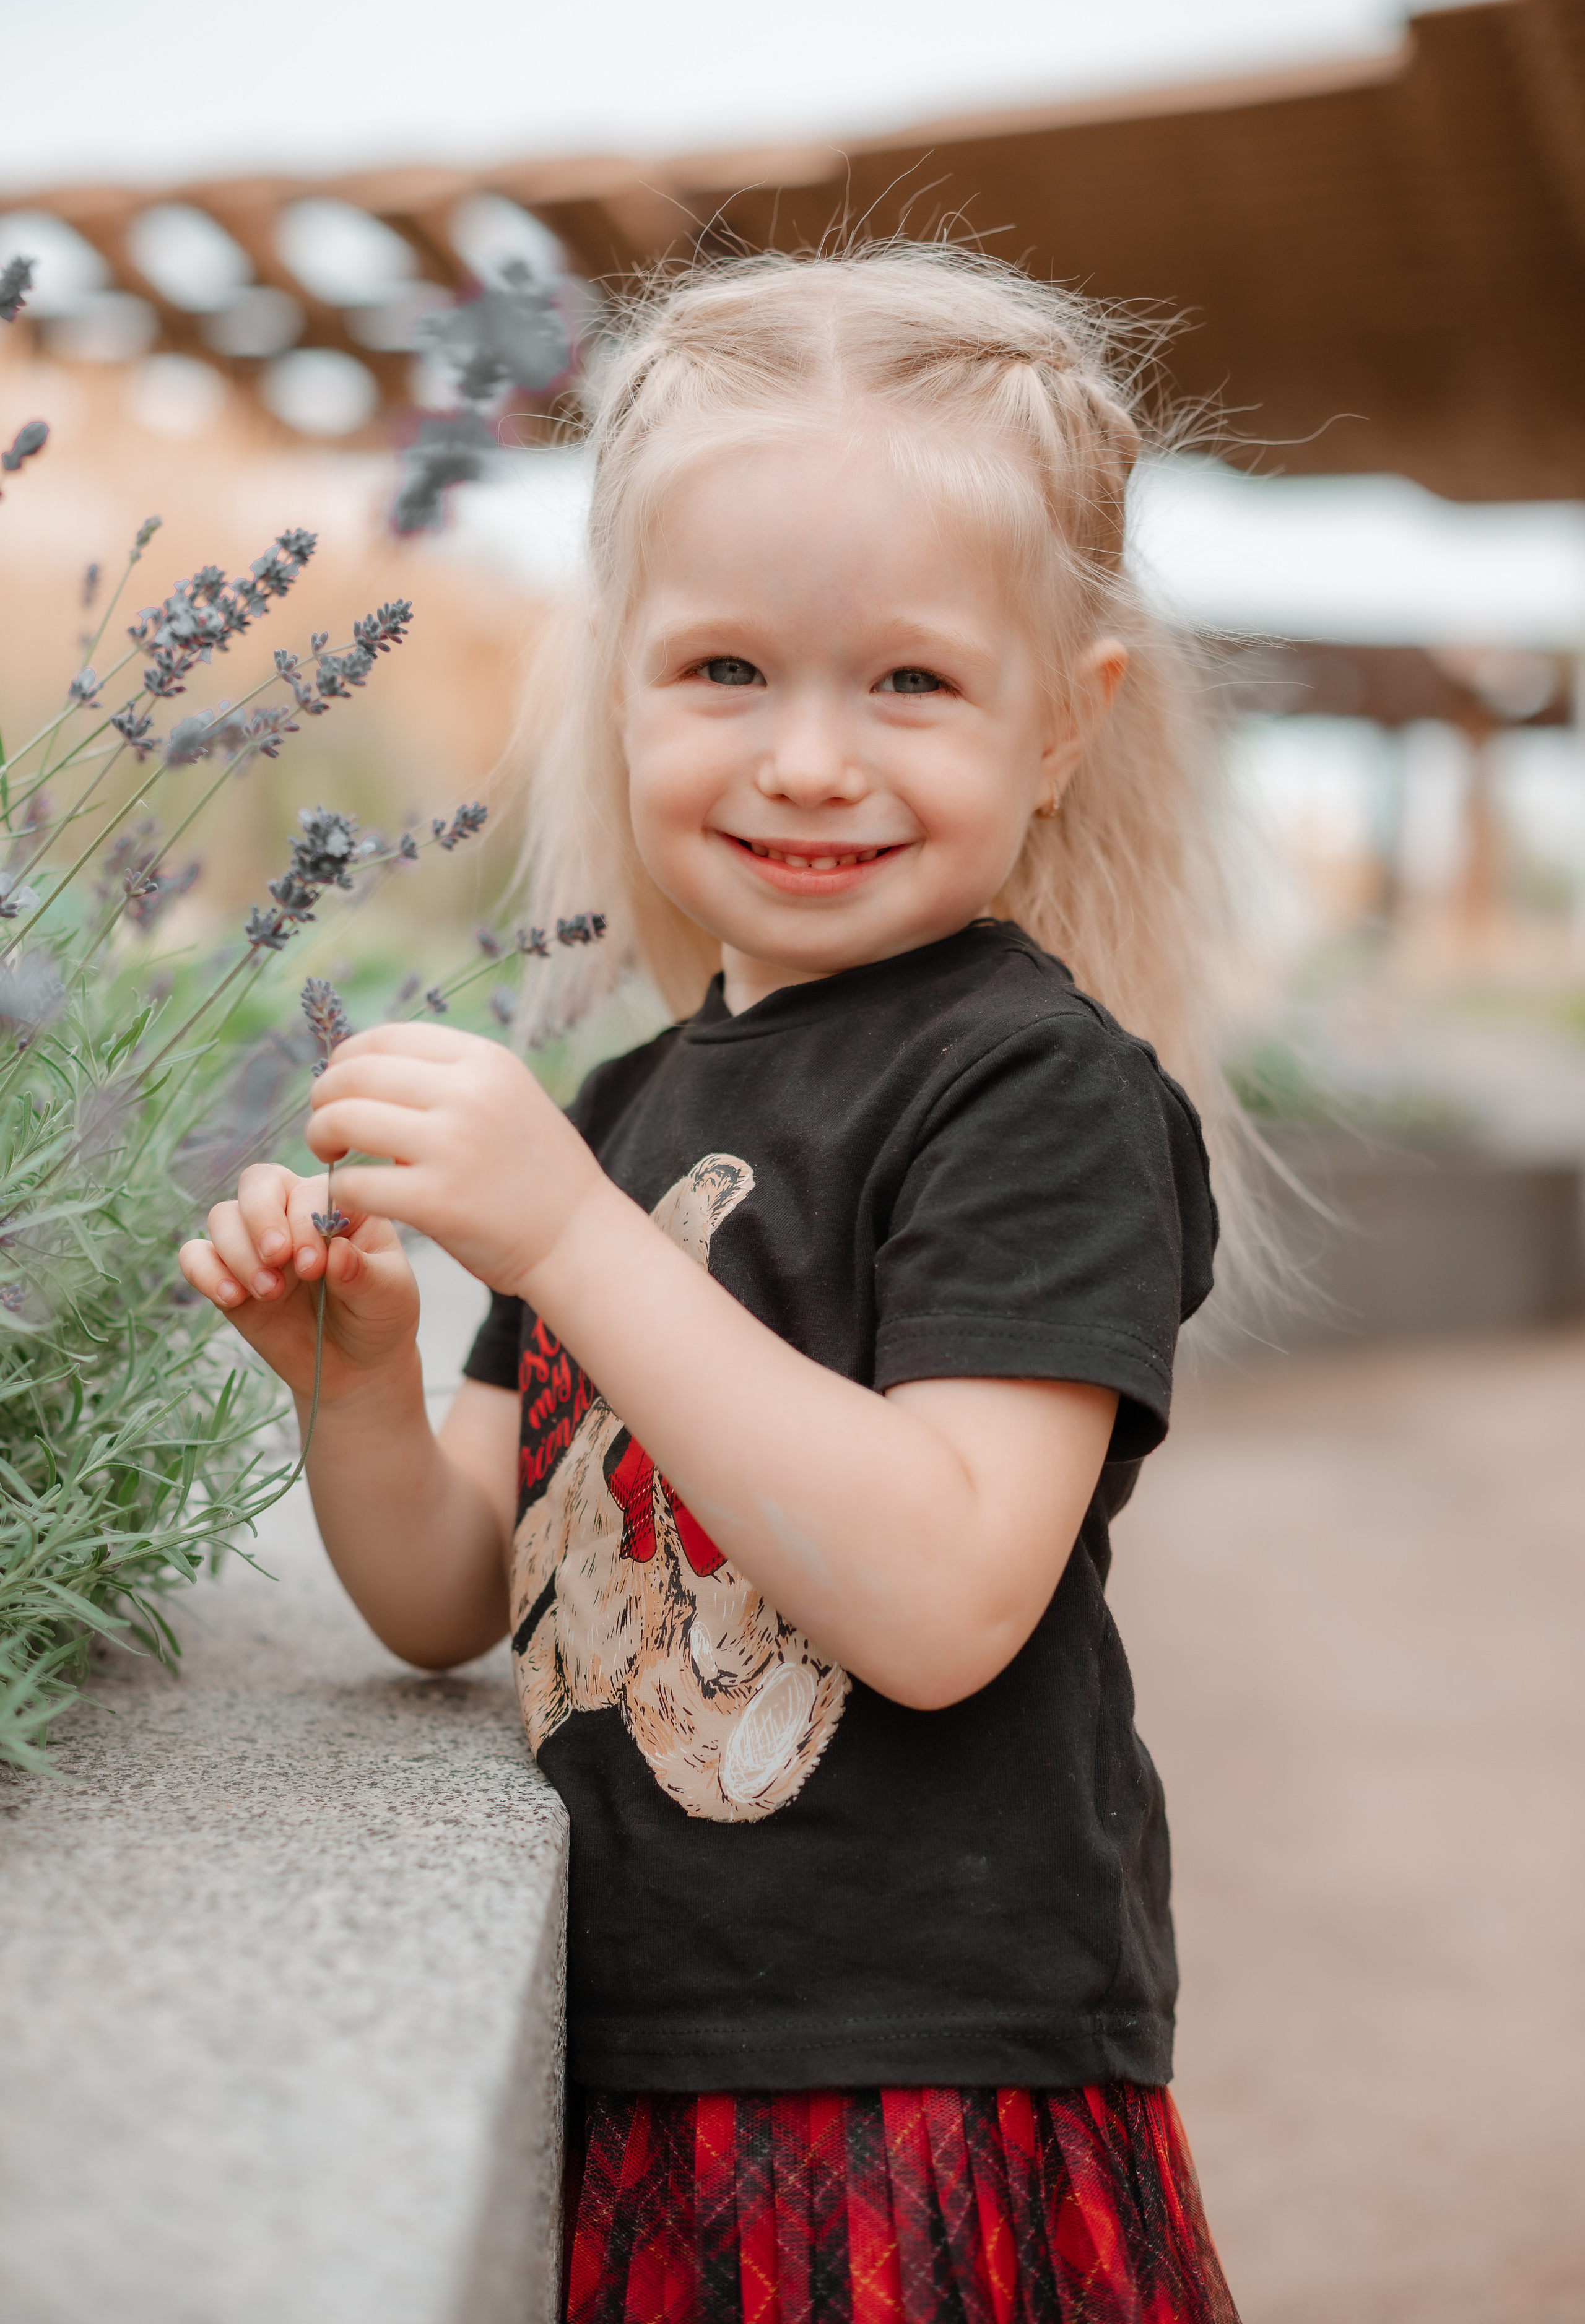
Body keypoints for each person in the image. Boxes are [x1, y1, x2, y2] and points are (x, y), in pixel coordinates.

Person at [180, 246, 1243, 2324]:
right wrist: (360, 1385)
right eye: (728, 671)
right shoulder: (630, 1100)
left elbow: (942, 1600)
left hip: (910, 2086)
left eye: (911, 682)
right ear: (623, 685)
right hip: (641, 2068)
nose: (811, 760)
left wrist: (568, 1232)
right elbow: (456, 1591)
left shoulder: (1034, 1091)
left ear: (1063, 726)